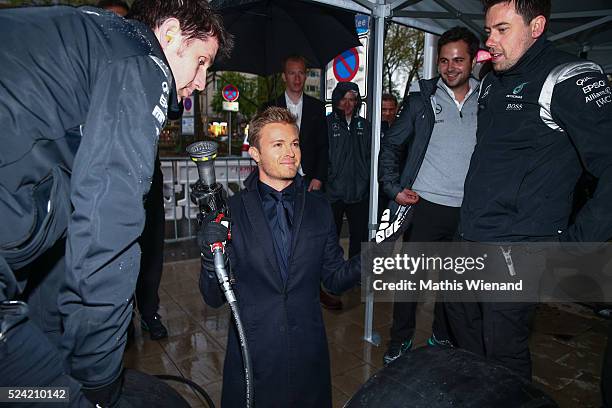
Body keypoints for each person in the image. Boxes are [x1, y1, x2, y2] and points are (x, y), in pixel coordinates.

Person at [0, 1, 231, 405]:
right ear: (171, 33)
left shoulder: (95, 40)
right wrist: (97, 376)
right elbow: (108, 227)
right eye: (200, 61)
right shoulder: (143, 62)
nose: (201, 81)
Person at [454, 0, 612, 380]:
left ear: (536, 26)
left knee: (503, 361)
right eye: (488, 29)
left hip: (517, 248)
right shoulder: (492, 79)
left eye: (502, 29)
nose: (489, 40)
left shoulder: (569, 76)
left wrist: (574, 247)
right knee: (468, 350)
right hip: (472, 236)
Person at [198, 107, 361, 407]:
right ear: (255, 154)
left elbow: (335, 279)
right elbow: (213, 297)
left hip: (308, 362)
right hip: (254, 361)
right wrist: (210, 258)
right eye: (278, 144)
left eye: (295, 143)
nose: (290, 152)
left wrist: (379, 254)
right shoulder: (231, 212)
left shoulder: (319, 208)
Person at [378, 26, 481, 365]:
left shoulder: (488, 100)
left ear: (472, 61)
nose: (450, 67)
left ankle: (441, 334)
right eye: (444, 60)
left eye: (458, 60)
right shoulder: (422, 101)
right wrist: (393, 188)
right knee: (410, 286)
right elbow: (391, 145)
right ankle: (400, 342)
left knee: (453, 286)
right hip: (424, 207)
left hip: (466, 214)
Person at [98, 0, 169, 344]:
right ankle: (121, 323)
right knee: (116, 253)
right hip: (107, 185)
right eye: (111, 22)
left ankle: (150, 312)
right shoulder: (92, 69)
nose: (119, 31)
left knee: (152, 251)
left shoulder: (149, 69)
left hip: (147, 181)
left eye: (125, 23)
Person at [261, 55, 328, 193]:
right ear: (284, 77)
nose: (297, 78)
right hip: (278, 180)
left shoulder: (318, 108)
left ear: (306, 76)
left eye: (301, 73)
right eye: (292, 73)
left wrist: (318, 178)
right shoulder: (270, 108)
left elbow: (323, 146)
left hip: (310, 182)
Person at [327, 81, 372, 260]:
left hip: (359, 192)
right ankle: (332, 273)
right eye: (343, 99)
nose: (347, 104)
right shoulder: (327, 124)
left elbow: (370, 156)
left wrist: (367, 180)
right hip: (333, 192)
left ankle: (355, 275)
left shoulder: (364, 126)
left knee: (359, 236)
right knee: (331, 237)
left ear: (357, 102)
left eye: (352, 99)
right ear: (336, 100)